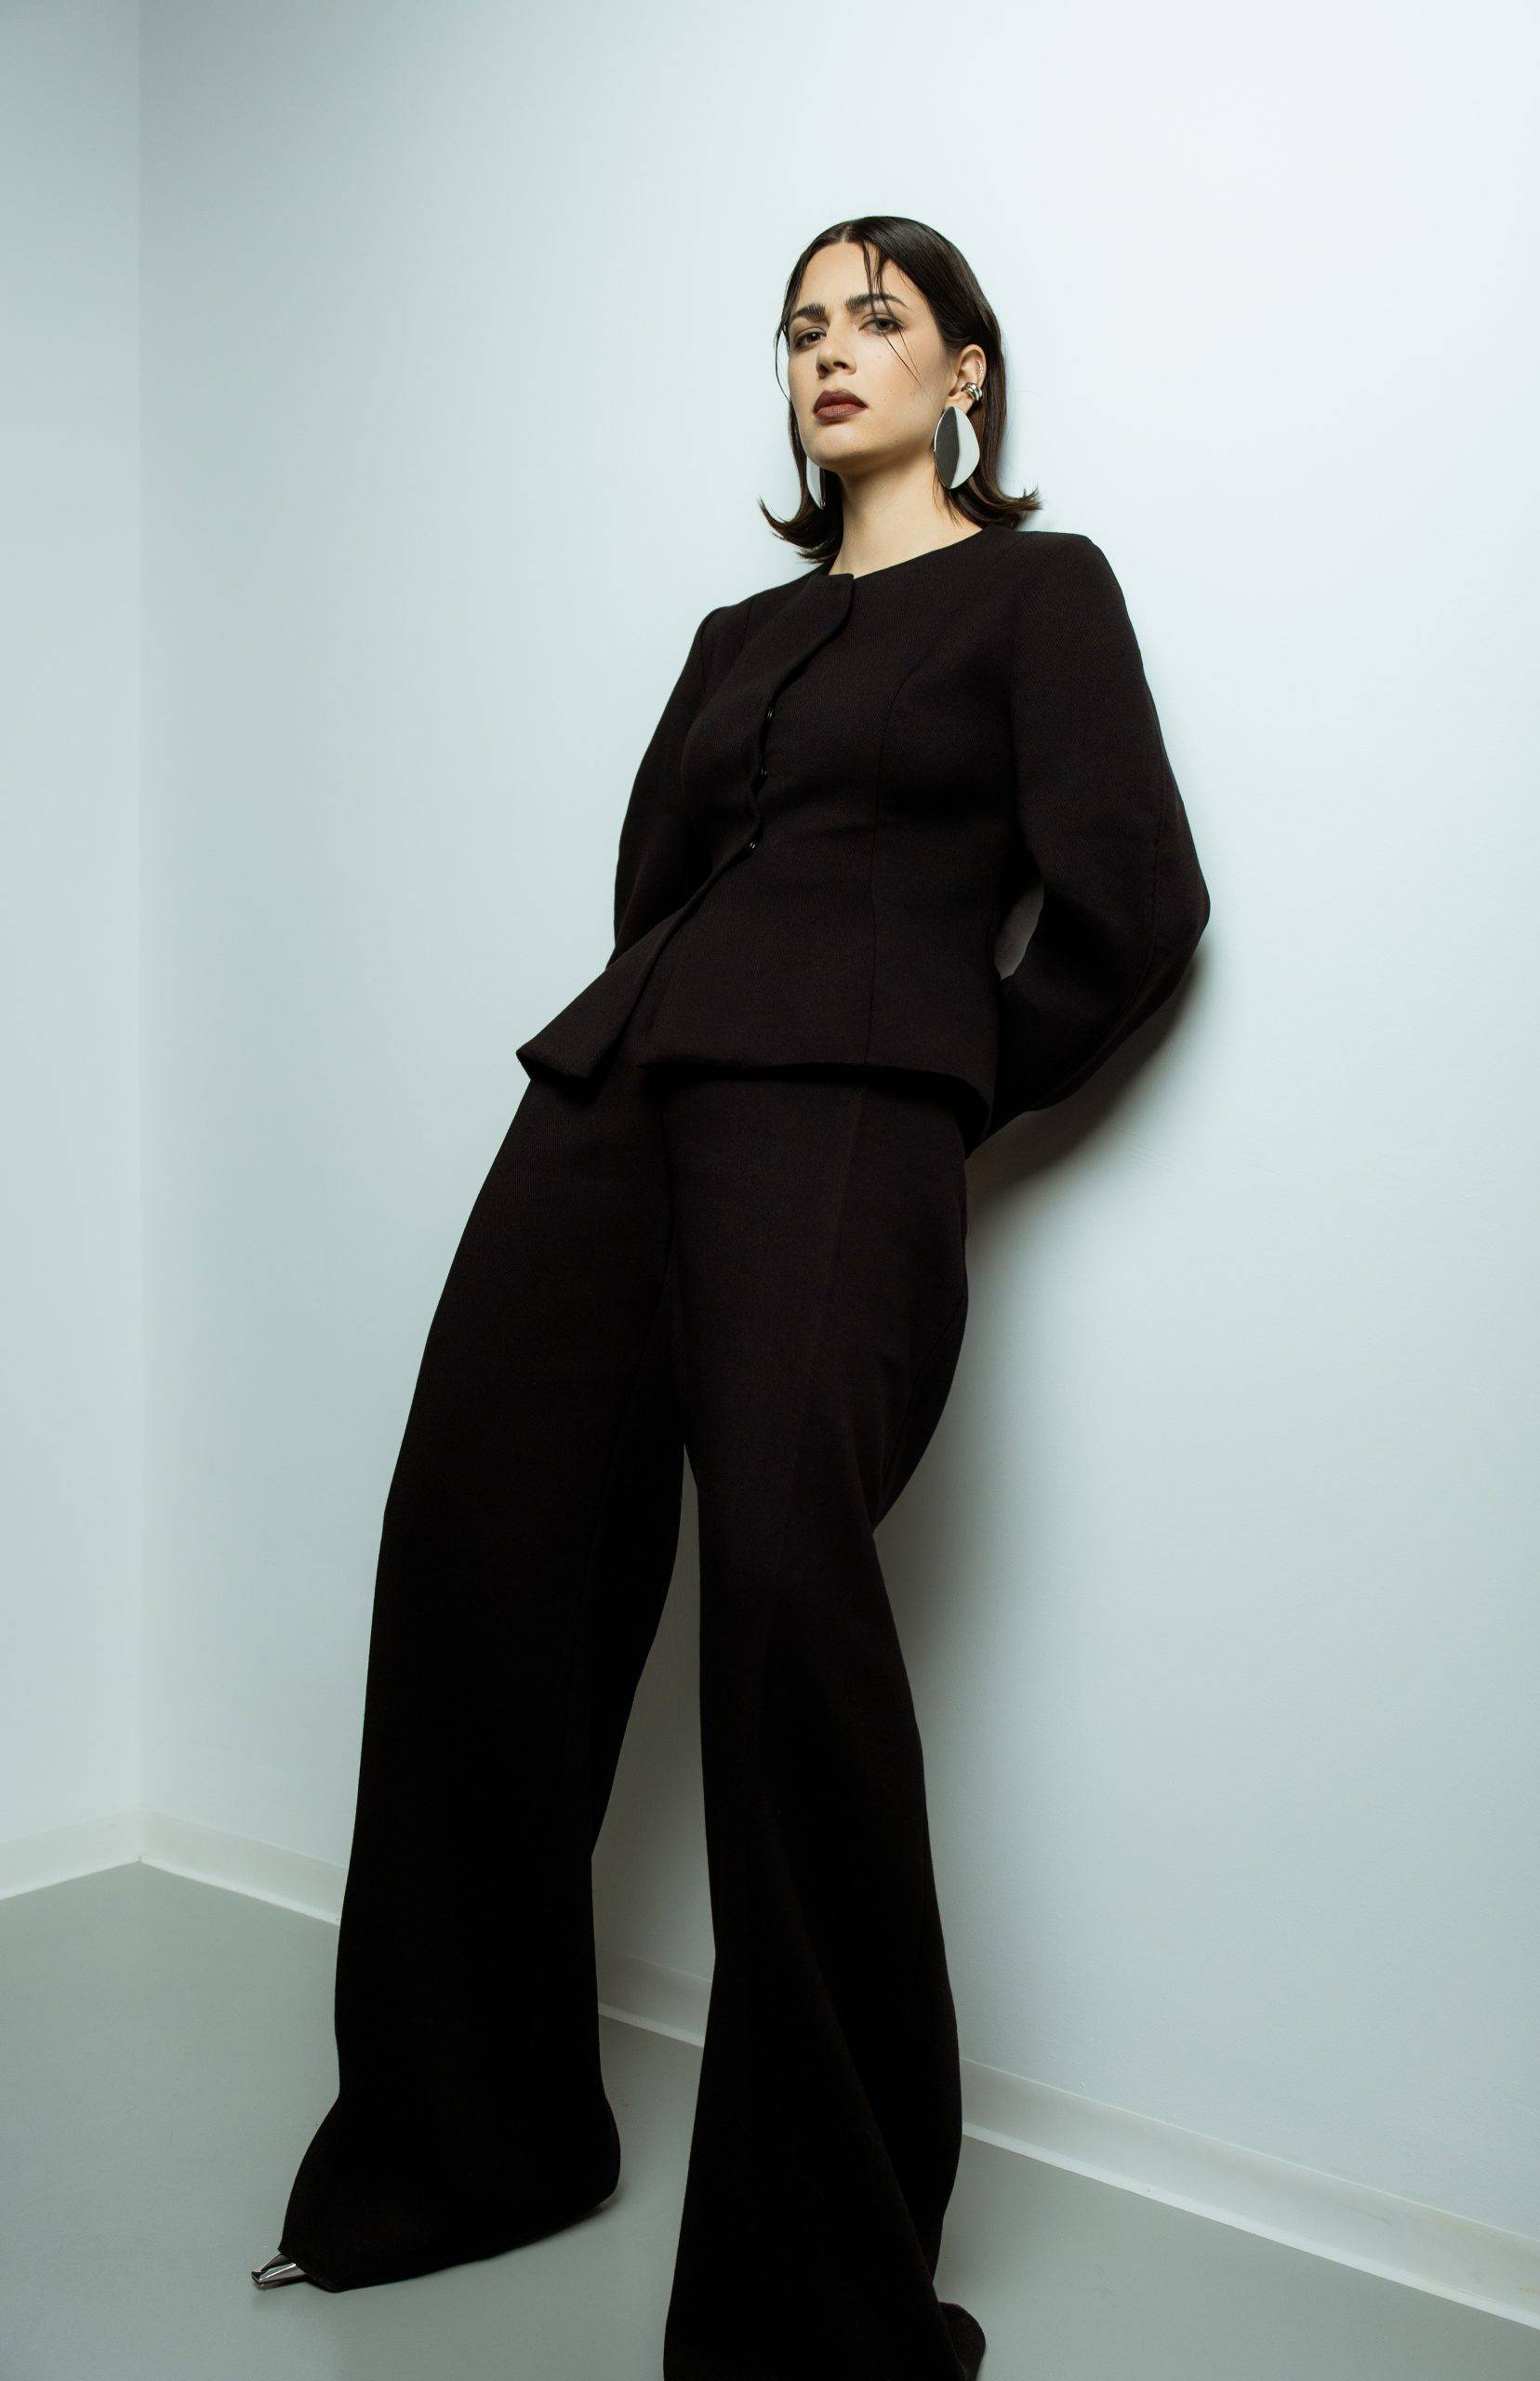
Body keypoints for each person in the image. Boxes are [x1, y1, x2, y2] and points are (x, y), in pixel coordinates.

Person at [249, 214, 1212, 2381]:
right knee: (476, 1553)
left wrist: (935, 1076)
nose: (828, 352)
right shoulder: (733, 632)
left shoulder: (1038, 592)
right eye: (797, 329)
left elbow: (1136, 899)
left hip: (842, 1107)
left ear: (965, 370)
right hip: (614, 1093)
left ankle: (816, 2302)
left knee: (782, 1598)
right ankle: (470, 2144)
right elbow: (653, 889)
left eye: (875, 318)